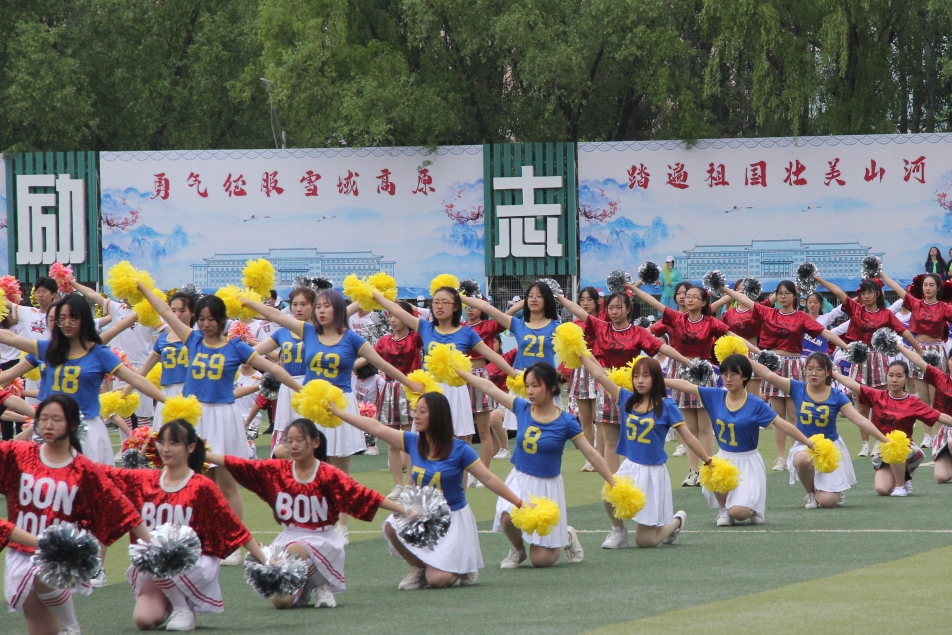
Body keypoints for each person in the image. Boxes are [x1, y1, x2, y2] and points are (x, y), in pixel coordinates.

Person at [241, 289, 424, 545]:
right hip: (312, 404)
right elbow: (277, 316)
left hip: (341, 405)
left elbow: (383, 364)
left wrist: (409, 383)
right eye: (318, 307)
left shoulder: (352, 339)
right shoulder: (308, 331)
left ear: (338, 310)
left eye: (326, 306)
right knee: (295, 458)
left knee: (340, 470)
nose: (321, 311)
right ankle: (309, 517)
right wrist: (247, 301)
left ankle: (342, 525)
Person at [136, 285, 303, 542]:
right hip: (195, 417)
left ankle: (233, 541)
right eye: (201, 319)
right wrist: (143, 288)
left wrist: (303, 390)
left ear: (222, 320)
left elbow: (275, 369)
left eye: (211, 319)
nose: (205, 324)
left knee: (226, 483)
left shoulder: (236, 347)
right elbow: (164, 311)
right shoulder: (193, 339)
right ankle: (200, 537)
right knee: (197, 481)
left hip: (223, 417)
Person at [208, 418, 413, 609]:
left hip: (322, 539)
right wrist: (203, 454)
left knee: (295, 550)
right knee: (281, 602)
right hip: (288, 537)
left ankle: (321, 585)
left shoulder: (328, 474)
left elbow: (365, 495)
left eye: (299, 440)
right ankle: (304, 585)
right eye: (289, 441)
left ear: (315, 442)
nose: (294, 446)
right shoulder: (277, 470)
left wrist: (404, 509)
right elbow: (239, 463)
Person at [332, 392, 523, 589]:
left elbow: (489, 478)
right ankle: (418, 568)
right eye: (416, 411)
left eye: (423, 412)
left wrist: (518, 502)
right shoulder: (413, 442)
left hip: (452, 517)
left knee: (438, 580)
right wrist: (339, 413)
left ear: (438, 416)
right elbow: (376, 427)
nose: (416, 416)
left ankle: (462, 565)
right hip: (421, 514)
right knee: (391, 526)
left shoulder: (459, 449)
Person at [0, 394, 151, 635]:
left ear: (72, 425)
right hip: (20, 551)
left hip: (62, 556)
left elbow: (122, 509)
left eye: (56, 419)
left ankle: (71, 624)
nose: (48, 425)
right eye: (43, 419)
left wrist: (154, 545)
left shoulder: (84, 468)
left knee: (41, 574)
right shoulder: (18, 454)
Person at [103, 420, 267, 631]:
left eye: (174, 443)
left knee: (159, 551)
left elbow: (233, 527)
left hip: (194, 563)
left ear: (191, 447)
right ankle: (173, 599)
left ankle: (184, 608)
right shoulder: (143, 480)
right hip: (156, 564)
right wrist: (69, 457)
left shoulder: (201, 486)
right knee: (144, 620)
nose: (166, 449)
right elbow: (103, 473)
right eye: (162, 442)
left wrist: (265, 559)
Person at [458, 362, 615, 568]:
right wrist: (460, 371)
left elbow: (592, 455)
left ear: (551, 387)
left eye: (535, 386)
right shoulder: (522, 408)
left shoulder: (566, 422)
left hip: (547, 487)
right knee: (507, 516)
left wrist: (613, 483)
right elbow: (489, 387)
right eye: (527, 386)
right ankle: (518, 550)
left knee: (541, 561)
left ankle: (567, 536)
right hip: (520, 478)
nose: (530, 391)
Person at [0, 295, 166, 466]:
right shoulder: (46, 349)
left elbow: (136, 379)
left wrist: (168, 401)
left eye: (73, 318)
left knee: (88, 480)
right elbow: (11, 340)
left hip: (87, 430)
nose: (67, 323)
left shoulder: (99, 353)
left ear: (84, 320)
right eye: (62, 318)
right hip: (50, 429)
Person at [665, 354, 815, 526]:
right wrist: (659, 381)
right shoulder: (716, 395)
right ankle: (724, 509)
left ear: (744, 376)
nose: (728, 379)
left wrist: (808, 442)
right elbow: (686, 385)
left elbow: (783, 425)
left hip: (748, 460)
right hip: (723, 457)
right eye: (725, 374)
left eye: (733, 374)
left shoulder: (755, 404)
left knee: (740, 513)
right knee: (714, 472)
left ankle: (752, 508)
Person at [580, 354, 709, 548]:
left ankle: (676, 522)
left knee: (645, 541)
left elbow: (689, 437)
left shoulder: (667, 405)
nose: (640, 380)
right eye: (636, 376)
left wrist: (707, 460)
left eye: (646, 376)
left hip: (653, 473)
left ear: (656, 379)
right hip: (630, 466)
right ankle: (619, 531)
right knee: (608, 495)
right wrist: (579, 353)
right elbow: (600, 375)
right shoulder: (626, 398)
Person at [557, 292, 694, 474]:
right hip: (607, 388)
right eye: (611, 308)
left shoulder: (638, 332)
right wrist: (559, 296)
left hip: (632, 390)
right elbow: (579, 311)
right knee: (610, 441)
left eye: (619, 307)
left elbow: (663, 347)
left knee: (633, 437)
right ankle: (613, 484)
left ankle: (637, 476)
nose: (614, 312)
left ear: (629, 309)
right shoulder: (601, 327)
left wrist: (687, 363)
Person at [719, 281, 849, 471]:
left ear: (794, 296)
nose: (783, 296)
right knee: (777, 415)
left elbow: (825, 333)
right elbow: (743, 299)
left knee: (795, 414)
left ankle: (795, 453)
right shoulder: (768, 312)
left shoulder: (801, 317)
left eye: (787, 293)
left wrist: (847, 348)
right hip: (773, 366)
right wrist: (723, 288)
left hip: (795, 364)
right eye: (780, 293)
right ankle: (781, 457)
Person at [371, 286, 516, 445]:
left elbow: (494, 356)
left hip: (456, 390)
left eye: (445, 302)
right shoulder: (425, 327)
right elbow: (397, 310)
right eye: (436, 302)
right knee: (426, 437)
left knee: (460, 437)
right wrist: (375, 295)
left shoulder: (466, 332)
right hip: (430, 388)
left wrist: (514, 375)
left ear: (455, 306)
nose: (439, 306)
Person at [627, 282, 733, 487]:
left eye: (694, 297)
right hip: (679, 371)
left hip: (702, 372)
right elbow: (653, 302)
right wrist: (632, 287)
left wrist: (758, 353)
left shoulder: (711, 322)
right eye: (687, 296)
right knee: (688, 427)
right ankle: (693, 471)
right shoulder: (676, 317)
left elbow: (733, 337)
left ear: (704, 302)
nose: (688, 299)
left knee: (705, 427)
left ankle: (707, 469)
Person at [751, 353, 888, 508]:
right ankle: (810, 493)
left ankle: (833, 491)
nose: (813, 373)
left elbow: (860, 420)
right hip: (805, 444)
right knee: (802, 459)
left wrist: (885, 440)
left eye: (819, 369)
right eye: (810, 369)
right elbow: (767, 374)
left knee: (828, 502)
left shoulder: (836, 395)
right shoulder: (797, 387)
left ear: (828, 372)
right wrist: (745, 358)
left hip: (830, 448)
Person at [814, 275, 925, 458]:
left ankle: (879, 441)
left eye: (870, 293)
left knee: (881, 404)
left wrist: (920, 350)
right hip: (859, 359)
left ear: (877, 294)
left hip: (879, 359)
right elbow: (837, 291)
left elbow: (904, 332)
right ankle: (865, 444)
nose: (866, 296)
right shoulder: (856, 309)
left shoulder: (886, 314)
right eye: (863, 293)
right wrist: (817, 278)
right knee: (862, 405)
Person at [833, 362, 952, 496]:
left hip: (905, 449)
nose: (894, 380)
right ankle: (900, 478)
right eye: (891, 375)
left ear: (906, 379)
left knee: (895, 441)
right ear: (886, 377)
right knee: (882, 489)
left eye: (899, 376)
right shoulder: (878, 396)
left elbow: (939, 416)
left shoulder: (913, 402)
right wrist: (831, 372)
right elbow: (852, 384)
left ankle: (901, 484)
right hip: (883, 447)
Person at [878, 271, 952, 447]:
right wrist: (880, 274)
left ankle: (940, 434)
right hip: (918, 352)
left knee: (937, 397)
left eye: (931, 285)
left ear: (938, 288)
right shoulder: (915, 303)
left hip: (936, 351)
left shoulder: (944, 307)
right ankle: (927, 435)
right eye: (925, 285)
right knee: (923, 397)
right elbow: (896, 288)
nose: (928, 288)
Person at [253, 287, 315, 457]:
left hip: (312, 386)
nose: (299, 309)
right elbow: (256, 352)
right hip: (287, 386)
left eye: (304, 304)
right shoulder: (283, 333)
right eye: (295, 304)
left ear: (313, 305)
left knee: (308, 433)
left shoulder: (319, 332)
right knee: (287, 436)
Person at [371, 301, 424, 498]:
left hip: (410, 389)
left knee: (411, 439)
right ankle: (398, 485)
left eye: (396, 315)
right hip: (389, 390)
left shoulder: (416, 337)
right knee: (392, 441)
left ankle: (411, 484)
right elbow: (368, 356)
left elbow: (429, 324)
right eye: (390, 315)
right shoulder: (384, 340)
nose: (392, 319)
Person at [134, 291, 198, 427]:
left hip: (192, 391)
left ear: (192, 312)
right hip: (168, 392)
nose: (177, 315)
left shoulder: (198, 338)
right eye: (173, 311)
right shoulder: (163, 339)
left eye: (182, 310)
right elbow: (144, 369)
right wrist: (126, 391)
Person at [893, 344, 952, 483]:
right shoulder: (941, 378)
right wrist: (897, 345)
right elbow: (918, 360)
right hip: (945, 432)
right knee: (941, 477)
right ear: (948, 361)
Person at [566, 287, 602, 471]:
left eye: (589, 299)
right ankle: (591, 458)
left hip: (598, 369)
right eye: (582, 300)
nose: (585, 303)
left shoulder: (601, 322)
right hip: (579, 372)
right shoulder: (573, 325)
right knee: (585, 419)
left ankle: (602, 456)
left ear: (597, 302)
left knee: (599, 418)